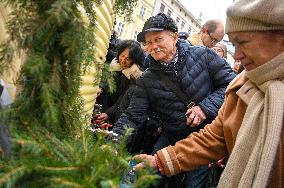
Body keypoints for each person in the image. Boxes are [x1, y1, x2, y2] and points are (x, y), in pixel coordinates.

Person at [136, 0, 284, 187]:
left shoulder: (204, 56)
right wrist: (160, 161)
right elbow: (215, 137)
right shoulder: (242, 86)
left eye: (243, 42)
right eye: (233, 44)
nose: (236, 55)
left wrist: (204, 108)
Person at [113, 13, 236, 187]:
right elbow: (133, 116)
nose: (153, 46)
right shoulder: (146, 79)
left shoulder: (203, 55)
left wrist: (204, 108)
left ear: (175, 37)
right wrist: (112, 142)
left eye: (158, 39)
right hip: (172, 137)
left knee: (194, 184)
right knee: (148, 178)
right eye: (148, 42)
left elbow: (232, 85)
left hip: (207, 139)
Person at [95, 40, 145, 125]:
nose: (122, 60)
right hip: (104, 107)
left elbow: (122, 101)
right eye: (122, 56)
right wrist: (101, 88)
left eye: (128, 59)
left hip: (117, 117)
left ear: (135, 61)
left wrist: (108, 114)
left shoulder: (134, 76)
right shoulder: (114, 66)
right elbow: (106, 81)